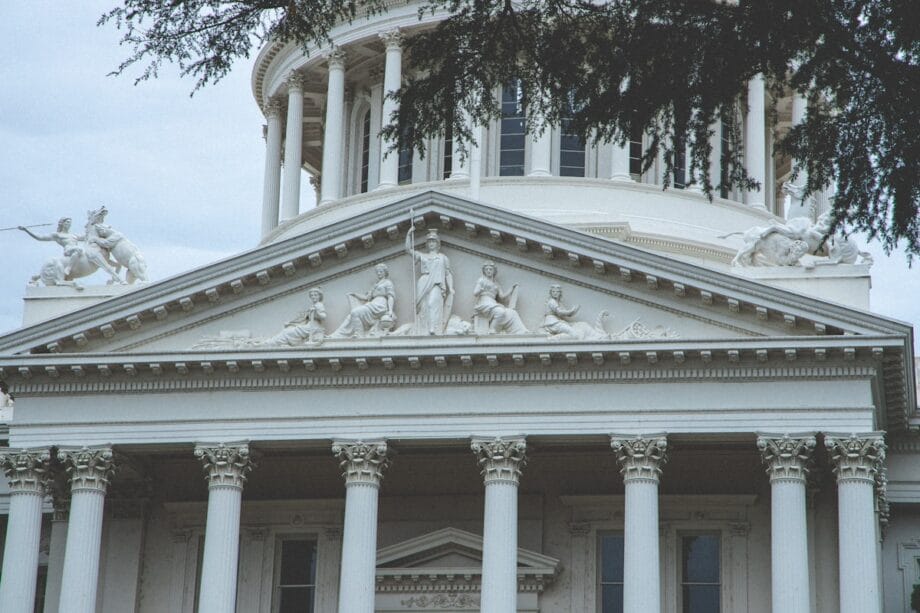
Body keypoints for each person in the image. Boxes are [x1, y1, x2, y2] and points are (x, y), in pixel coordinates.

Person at [405, 228, 454, 335]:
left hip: (437, 283)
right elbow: (408, 250)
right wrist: (409, 234)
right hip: (423, 282)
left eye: (434, 241)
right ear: (427, 244)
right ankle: (423, 329)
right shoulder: (423, 256)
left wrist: (451, 288)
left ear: (438, 244)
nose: (431, 243)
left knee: (432, 303)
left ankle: (433, 328)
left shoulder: (442, 258)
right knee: (423, 307)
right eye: (429, 241)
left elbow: (447, 273)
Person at [331, 264, 396, 338]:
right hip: (372, 304)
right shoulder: (375, 285)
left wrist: (390, 310)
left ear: (385, 272)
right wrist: (355, 294)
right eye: (377, 272)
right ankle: (337, 335)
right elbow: (366, 297)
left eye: (380, 271)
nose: (379, 273)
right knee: (351, 316)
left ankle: (359, 334)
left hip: (380, 305)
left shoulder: (388, 283)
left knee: (355, 312)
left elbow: (391, 297)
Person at [473, 261, 529, 334]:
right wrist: (480, 290)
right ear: (484, 271)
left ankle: (521, 331)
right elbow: (475, 293)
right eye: (486, 269)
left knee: (512, 312)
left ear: (494, 271)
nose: (488, 271)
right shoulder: (482, 280)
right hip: (484, 303)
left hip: (493, 303)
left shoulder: (496, 284)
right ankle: (492, 329)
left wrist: (511, 289)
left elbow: (502, 297)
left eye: (490, 269)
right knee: (500, 312)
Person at [19, 217, 84, 277]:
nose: (69, 224)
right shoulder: (57, 235)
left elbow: (87, 237)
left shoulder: (74, 235)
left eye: (70, 223)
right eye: (67, 222)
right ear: (62, 223)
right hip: (68, 250)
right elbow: (40, 237)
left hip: (77, 252)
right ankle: (68, 268)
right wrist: (26, 230)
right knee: (79, 249)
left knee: (82, 252)